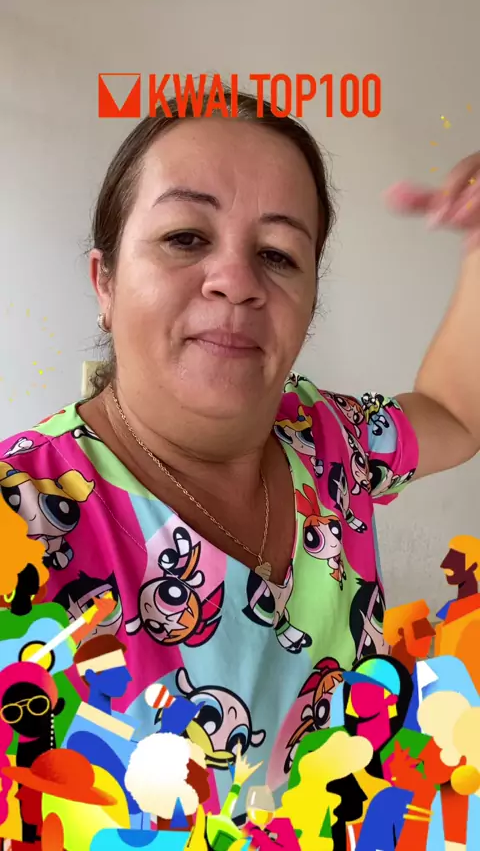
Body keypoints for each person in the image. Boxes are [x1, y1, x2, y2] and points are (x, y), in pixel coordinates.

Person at [2, 84, 480, 814]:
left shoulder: (330, 442)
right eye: (186, 238)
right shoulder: (23, 517)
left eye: (278, 254)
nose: (236, 282)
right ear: (105, 283)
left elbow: (454, 413)